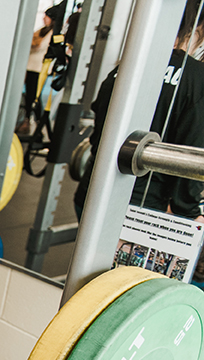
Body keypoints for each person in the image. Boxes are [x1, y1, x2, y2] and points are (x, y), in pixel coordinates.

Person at [73, 0, 204, 222]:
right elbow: (192, 154)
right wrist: (188, 214)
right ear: (194, 31)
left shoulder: (127, 65)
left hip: (90, 196)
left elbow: (99, 130)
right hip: (142, 212)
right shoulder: (197, 77)